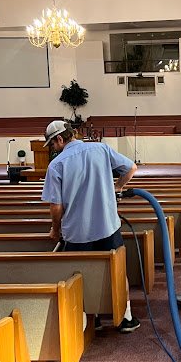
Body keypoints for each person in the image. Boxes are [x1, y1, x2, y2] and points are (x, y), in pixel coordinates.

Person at [41, 120, 140, 333]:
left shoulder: (56, 165)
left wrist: (55, 229)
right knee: (117, 270)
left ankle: (89, 320)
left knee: (80, 277)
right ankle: (126, 317)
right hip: (107, 225)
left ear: (60, 139)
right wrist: (118, 187)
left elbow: (56, 207)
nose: (53, 149)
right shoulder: (101, 149)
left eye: (52, 144)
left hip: (77, 232)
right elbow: (131, 168)